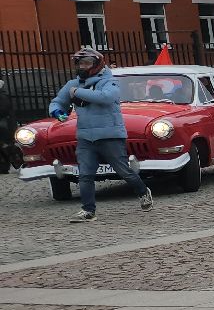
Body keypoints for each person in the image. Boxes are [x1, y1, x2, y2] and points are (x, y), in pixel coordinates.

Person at [49, 48, 154, 222]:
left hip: (110, 135)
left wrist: (76, 93)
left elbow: (105, 97)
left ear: (97, 64)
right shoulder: (72, 84)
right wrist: (56, 111)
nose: (83, 66)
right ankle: (88, 210)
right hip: (85, 137)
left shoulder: (109, 81)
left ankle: (143, 192)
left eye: (87, 63)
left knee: (124, 171)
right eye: (80, 63)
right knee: (85, 175)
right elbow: (57, 101)